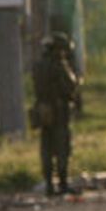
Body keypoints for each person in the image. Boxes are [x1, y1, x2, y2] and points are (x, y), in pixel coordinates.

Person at [32, 31, 81, 196]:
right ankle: (62, 183)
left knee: (46, 147)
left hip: (43, 110)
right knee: (62, 148)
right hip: (60, 111)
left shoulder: (38, 66)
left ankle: (48, 185)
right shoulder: (59, 65)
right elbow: (70, 86)